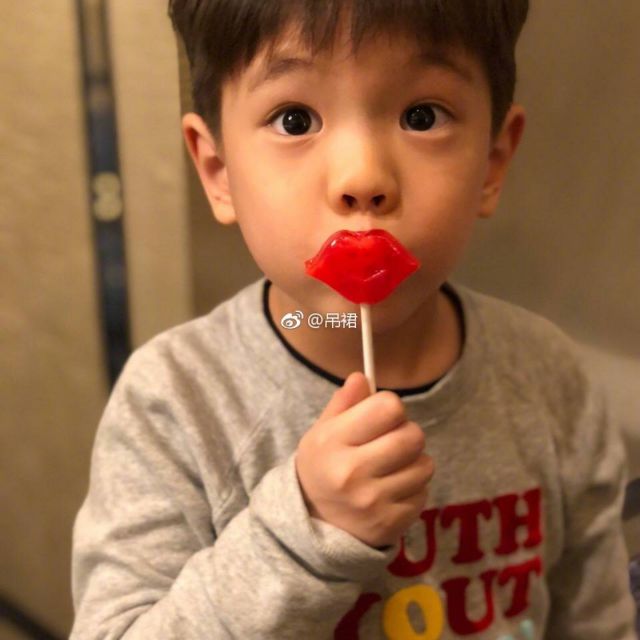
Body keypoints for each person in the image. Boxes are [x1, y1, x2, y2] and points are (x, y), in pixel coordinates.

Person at [70, 1, 637, 638]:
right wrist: (305, 534)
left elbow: (598, 618)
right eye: (294, 119)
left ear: (493, 160)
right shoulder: (175, 403)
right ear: (218, 171)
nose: (362, 178)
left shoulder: (549, 378)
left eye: (422, 117)